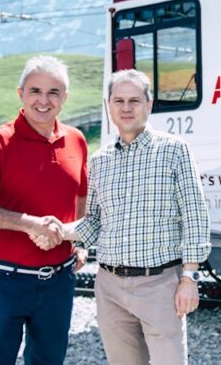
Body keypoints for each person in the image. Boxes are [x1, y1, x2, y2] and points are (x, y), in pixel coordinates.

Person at [59, 68, 210, 365]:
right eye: (119, 101)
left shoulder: (174, 150)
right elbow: (95, 223)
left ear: (149, 105)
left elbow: (195, 215)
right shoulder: (100, 161)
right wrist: (59, 230)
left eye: (134, 100)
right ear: (108, 106)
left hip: (160, 285)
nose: (126, 108)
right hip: (109, 286)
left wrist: (190, 278)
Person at [0, 55, 88, 365]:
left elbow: (80, 197)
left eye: (54, 92)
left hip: (58, 281)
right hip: (3, 281)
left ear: (64, 98)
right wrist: (29, 224)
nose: (44, 100)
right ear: (21, 94)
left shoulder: (76, 140)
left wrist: (76, 241)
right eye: (35, 91)